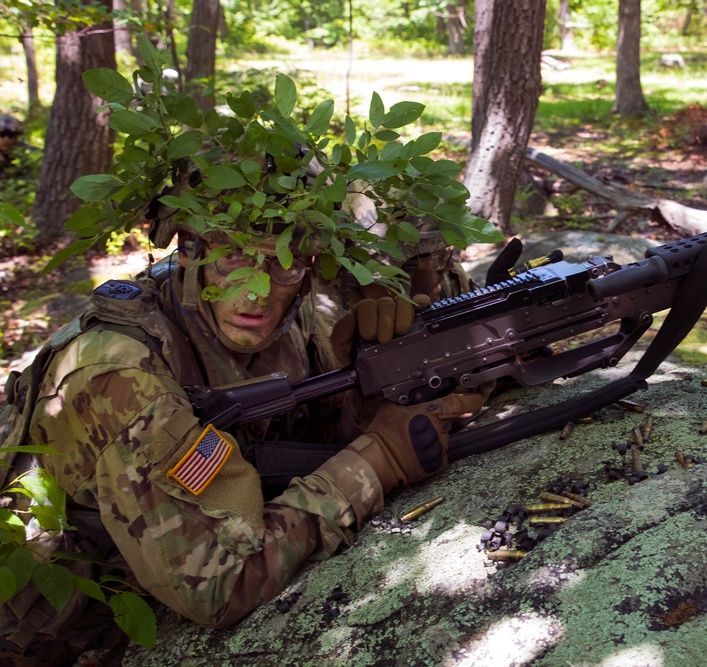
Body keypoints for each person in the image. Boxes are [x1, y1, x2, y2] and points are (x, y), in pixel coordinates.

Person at [0, 187, 487, 665]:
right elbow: (217, 584)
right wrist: (373, 464)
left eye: (284, 261)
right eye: (232, 258)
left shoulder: (282, 314)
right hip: (50, 637)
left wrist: (369, 397)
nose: (257, 289)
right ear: (189, 254)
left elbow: (288, 442)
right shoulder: (118, 372)